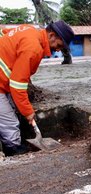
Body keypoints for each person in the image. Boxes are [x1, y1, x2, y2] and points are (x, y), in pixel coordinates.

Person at [0, 20, 74, 156]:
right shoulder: (33, 48)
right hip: (1, 85)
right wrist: (28, 111)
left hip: (3, 83)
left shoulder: (30, 30)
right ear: (52, 35)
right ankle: (14, 149)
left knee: (13, 109)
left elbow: (5, 33)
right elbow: (17, 85)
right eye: (59, 45)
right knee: (10, 123)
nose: (58, 49)